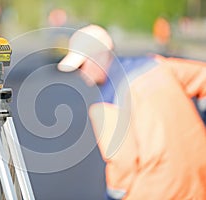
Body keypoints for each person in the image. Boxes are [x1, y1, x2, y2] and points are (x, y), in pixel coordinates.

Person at [57, 24, 206, 199]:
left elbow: (123, 167)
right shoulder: (158, 65)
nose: (80, 73)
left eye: (81, 65)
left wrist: (112, 196)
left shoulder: (107, 105)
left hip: (158, 192)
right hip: (198, 181)